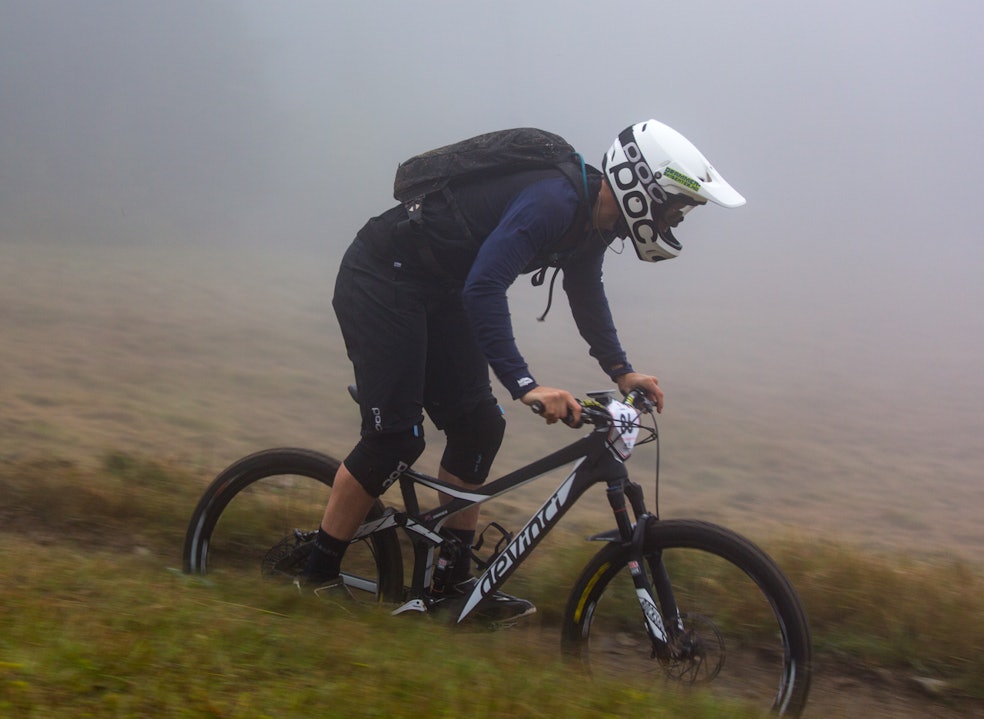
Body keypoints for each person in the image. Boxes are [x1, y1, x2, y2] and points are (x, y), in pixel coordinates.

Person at [296, 119, 745, 621]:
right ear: (641, 191)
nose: (676, 222)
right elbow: (485, 287)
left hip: (440, 289)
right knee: (394, 439)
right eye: (675, 209)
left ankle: (449, 584)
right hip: (383, 278)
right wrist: (526, 385)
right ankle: (314, 577)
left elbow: (585, 293)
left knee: (479, 428)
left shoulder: (592, 221)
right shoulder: (555, 201)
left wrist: (622, 371)